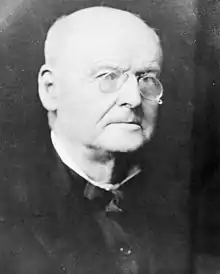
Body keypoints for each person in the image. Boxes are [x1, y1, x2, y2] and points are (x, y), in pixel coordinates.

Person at [0, 6, 188, 274]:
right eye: (108, 76)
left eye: (147, 78)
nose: (134, 99)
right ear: (50, 90)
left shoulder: (189, 203)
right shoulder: (9, 206)